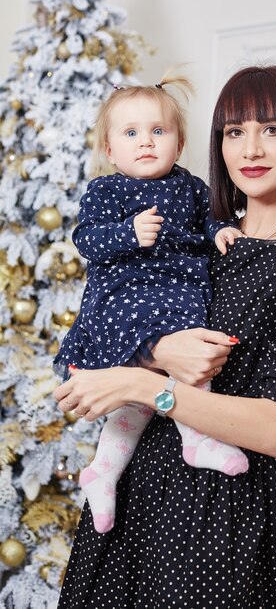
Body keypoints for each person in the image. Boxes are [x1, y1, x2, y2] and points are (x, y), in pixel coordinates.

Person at [54, 64, 276, 608]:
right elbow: (97, 325)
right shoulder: (191, 234)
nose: (250, 148)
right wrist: (155, 350)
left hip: (222, 512)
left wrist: (144, 385)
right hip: (132, 495)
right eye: (234, 132)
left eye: (273, 129)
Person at [53, 70, 248, 534]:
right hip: (127, 299)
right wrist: (128, 233)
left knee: (139, 397)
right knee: (177, 360)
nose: (146, 142)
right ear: (109, 149)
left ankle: (103, 470)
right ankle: (196, 439)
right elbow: (87, 240)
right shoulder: (106, 190)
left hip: (178, 295)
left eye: (158, 131)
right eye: (131, 133)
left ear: (178, 144)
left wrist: (220, 230)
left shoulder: (191, 187)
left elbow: (211, 219)